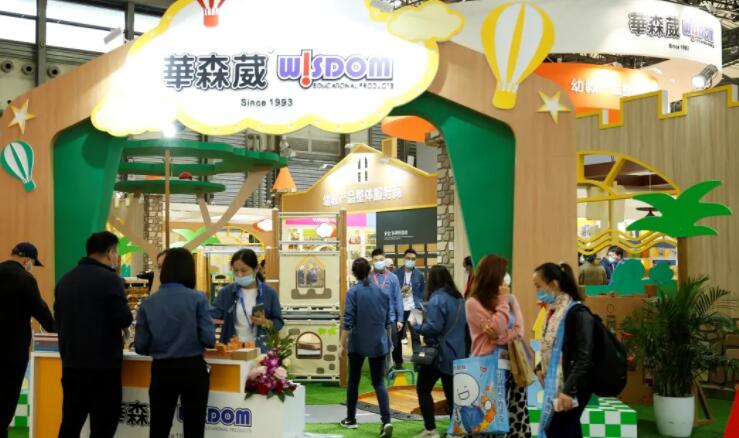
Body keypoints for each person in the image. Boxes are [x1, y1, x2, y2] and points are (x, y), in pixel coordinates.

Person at [55, 231, 133, 438]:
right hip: (103, 368)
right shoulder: (111, 280)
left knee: (70, 424)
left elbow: (58, 319)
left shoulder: (65, 280)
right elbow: (124, 318)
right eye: (116, 253)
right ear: (110, 252)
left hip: (71, 365)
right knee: (103, 427)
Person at [135, 248, 215, 438]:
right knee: (194, 428)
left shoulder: (149, 302)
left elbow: (140, 346)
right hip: (193, 369)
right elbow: (209, 339)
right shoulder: (198, 299)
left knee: (159, 427)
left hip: (162, 370)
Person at [466, 255, 531, 436]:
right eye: (503, 273)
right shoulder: (473, 303)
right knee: (488, 421)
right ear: (493, 276)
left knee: (513, 419)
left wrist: (500, 337)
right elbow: (496, 327)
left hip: (512, 366)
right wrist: (503, 302)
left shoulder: (511, 299)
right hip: (486, 368)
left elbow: (519, 331)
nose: (506, 278)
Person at [0, 243, 55, 438]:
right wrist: (58, 328)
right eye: (32, 263)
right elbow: (42, 313)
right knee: (5, 406)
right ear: (26, 260)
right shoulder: (25, 279)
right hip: (12, 355)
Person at [534, 262, 594, 438]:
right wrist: (540, 367)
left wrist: (568, 390)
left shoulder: (577, 312)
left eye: (538, 286)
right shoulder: (554, 312)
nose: (537, 291)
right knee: (562, 429)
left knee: (562, 429)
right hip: (559, 385)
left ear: (554, 285)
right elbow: (552, 348)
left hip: (572, 387)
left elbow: (584, 356)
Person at [340, 258, 393, 438]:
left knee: (353, 381)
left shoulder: (353, 292)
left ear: (354, 274)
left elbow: (348, 320)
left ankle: (351, 419)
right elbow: (388, 320)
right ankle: (386, 421)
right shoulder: (382, 292)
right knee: (378, 382)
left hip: (358, 342)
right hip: (379, 342)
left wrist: (341, 344)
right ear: (370, 271)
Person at [412, 265, 466, 438]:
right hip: (457, 353)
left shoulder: (437, 299)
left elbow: (433, 327)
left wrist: (416, 325)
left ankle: (430, 429)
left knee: (423, 388)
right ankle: (456, 431)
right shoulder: (459, 299)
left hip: (438, 355)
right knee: (453, 396)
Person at [210, 249, 283, 352]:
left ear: (256, 269)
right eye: (235, 271)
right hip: (232, 350)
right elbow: (213, 315)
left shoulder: (269, 293)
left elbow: (278, 322)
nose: (239, 275)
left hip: (260, 350)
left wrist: (265, 322)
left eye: (244, 271)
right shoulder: (226, 293)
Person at [370, 249, 403, 371]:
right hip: (373, 320)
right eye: (376, 260)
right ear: (372, 261)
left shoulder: (393, 278)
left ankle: (389, 367)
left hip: (390, 318)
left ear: (384, 260)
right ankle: (379, 369)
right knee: (375, 346)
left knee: (391, 344)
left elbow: (398, 298)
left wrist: (400, 319)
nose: (379, 262)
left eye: (381, 259)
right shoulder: (368, 278)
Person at [393, 248, 424, 368]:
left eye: (413, 259)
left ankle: (418, 363)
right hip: (399, 309)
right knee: (397, 338)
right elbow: (392, 292)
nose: (410, 260)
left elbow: (422, 292)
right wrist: (400, 291)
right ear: (404, 259)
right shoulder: (396, 274)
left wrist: (420, 307)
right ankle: (398, 362)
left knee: (416, 337)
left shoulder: (419, 275)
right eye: (408, 258)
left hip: (415, 309)